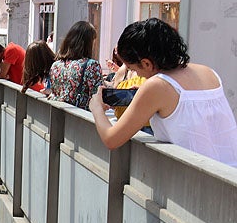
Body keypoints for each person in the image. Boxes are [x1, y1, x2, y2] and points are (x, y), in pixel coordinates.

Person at [89, 17, 237, 167]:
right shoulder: (208, 72)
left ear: (146, 63)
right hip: (229, 175)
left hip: (198, 182)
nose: (138, 75)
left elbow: (111, 139)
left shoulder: (157, 85)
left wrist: (96, 108)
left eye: (134, 69)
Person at [48, 20, 103, 109]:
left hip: (56, 116)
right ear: (88, 43)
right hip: (80, 117)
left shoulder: (56, 65)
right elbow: (98, 95)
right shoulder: (91, 65)